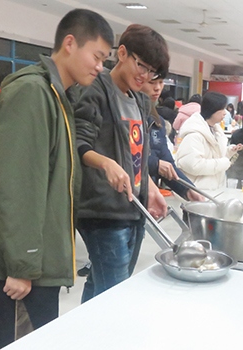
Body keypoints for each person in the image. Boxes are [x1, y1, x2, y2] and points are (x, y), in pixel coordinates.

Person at [0, 9, 113, 349]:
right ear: (70, 44)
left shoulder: (57, 96)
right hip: (17, 263)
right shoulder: (33, 93)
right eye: (97, 56)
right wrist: (23, 264)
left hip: (32, 258)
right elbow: (18, 185)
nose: (100, 66)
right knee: (16, 341)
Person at [72, 24, 168, 303]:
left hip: (132, 208)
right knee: (114, 294)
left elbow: (135, 154)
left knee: (100, 285)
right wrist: (106, 163)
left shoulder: (139, 100)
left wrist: (150, 188)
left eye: (153, 72)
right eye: (142, 66)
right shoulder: (96, 90)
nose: (146, 76)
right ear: (122, 53)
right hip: (102, 211)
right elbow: (78, 145)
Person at [141, 76, 203, 201]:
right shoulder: (127, 116)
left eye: (161, 82)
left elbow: (167, 163)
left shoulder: (158, 122)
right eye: (152, 82)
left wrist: (189, 190)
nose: (157, 88)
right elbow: (125, 158)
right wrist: (155, 164)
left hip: (147, 200)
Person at [175, 92, 243, 190]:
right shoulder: (194, 135)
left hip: (214, 190)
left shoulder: (215, 130)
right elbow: (192, 164)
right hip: (199, 192)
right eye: (222, 109)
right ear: (213, 110)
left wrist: (230, 151)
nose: (225, 113)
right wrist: (223, 163)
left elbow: (215, 155)